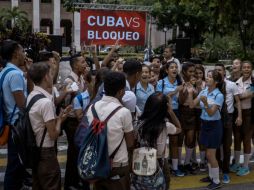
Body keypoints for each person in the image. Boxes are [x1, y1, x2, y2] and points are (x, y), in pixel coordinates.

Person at [86, 71, 135, 190]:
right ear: (121, 91)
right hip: (118, 164)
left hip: (97, 163)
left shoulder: (92, 108)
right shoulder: (123, 112)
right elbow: (130, 143)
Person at [27, 62, 71, 190]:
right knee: (51, 184)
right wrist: (60, 120)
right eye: (51, 74)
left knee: (38, 184)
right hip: (46, 152)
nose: (53, 77)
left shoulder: (32, 95)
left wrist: (58, 118)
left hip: (35, 149)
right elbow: (53, 134)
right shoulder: (45, 102)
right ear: (46, 77)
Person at [133, 92, 181, 190]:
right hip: (160, 163)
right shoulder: (165, 126)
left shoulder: (138, 124)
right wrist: (171, 112)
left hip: (139, 161)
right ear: (164, 109)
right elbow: (179, 129)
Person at [0, 40, 31, 190]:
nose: (24, 53)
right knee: (15, 166)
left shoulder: (5, 72)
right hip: (17, 125)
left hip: (9, 122)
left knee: (16, 164)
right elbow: (22, 104)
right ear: (15, 54)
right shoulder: (15, 75)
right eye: (22, 50)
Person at [188, 70, 224, 189]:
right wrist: (189, 92)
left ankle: (217, 181)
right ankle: (211, 176)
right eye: (207, 76)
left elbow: (211, 112)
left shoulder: (219, 95)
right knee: (208, 154)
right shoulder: (203, 91)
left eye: (210, 77)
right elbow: (192, 105)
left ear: (217, 81)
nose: (207, 78)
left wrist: (206, 103)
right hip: (205, 124)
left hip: (214, 126)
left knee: (210, 154)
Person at [62, 54, 88, 189]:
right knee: (73, 152)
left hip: (79, 120)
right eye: (82, 62)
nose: (85, 64)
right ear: (75, 65)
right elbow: (66, 102)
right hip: (72, 121)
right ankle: (70, 183)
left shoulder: (81, 78)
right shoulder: (70, 80)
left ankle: (75, 180)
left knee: (77, 151)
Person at [214, 63, 242, 183]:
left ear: (224, 71)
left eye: (220, 70)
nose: (218, 72)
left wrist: (240, 116)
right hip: (215, 118)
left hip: (228, 118)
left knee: (226, 146)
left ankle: (225, 171)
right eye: (216, 70)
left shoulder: (231, 85)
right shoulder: (213, 85)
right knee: (215, 146)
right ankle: (217, 169)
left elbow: (237, 102)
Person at [156, 61, 184, 177]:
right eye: (171, 67)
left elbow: (181, 101)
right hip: (163, 112)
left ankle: (175, 167)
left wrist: (182, 91)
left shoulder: (180, 82)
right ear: (167, 70)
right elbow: (159, 98)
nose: (174, 69)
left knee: (175, 140)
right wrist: (175, 91)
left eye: (176, 67)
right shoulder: (161, 83)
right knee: (160, 140)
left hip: (176, 112)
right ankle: (160, 166)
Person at [230, 61, 253, 176]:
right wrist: (238, 97)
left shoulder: (253, 82)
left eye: (249, 67)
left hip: (249, 114)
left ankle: (245, 166)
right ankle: (237, 163)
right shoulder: (236, 82)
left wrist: (236, 97)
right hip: (237, 113)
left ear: (251, 69)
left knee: (247, 139)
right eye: (244, 67)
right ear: (241, 69)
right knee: (237, 138)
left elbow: (249, 95)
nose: (246, 69)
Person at [178, 62, 197, 174]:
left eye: (193, 72)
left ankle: (187, 163)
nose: (192, 74)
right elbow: (181, 100)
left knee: (190, 139)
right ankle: (179, 163)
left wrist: (194, 87)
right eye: (190, 71)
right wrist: (186, 88)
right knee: (180, 139)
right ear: (184, 72)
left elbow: (197, 97)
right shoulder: (180, 82)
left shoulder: (195, 83)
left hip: (192, 113)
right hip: (181, 112)